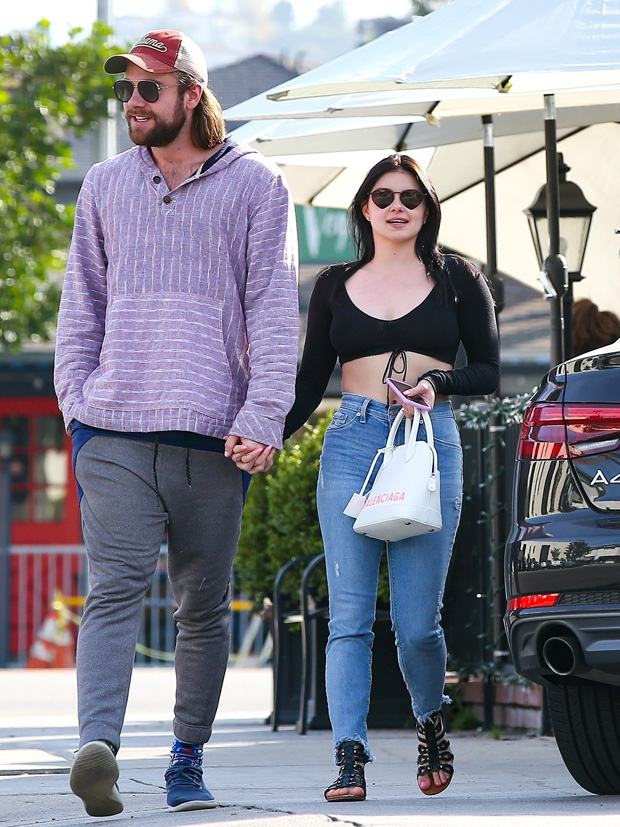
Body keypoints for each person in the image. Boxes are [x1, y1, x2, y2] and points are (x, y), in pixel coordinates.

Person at [54, 30, 298, 817]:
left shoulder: (258, 186)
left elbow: (273, 311)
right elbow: (80, 306)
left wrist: (263, 415)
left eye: (148, 88)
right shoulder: (104, 184)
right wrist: (77, 410)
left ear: (191, 94)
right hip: (113, 429)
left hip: (213, 436)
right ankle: (99, 747)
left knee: (202, 607)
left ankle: (186, 760)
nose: (133, 101)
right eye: (126, 89)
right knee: (113, 589)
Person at [283, 154, 499, 801]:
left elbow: (488, 370)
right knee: (348, 616)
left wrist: (438, 381)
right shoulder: (334, 283)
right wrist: (266, 438)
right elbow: (309, 381)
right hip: (353, 441)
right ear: (365, 208)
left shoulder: (459, 278)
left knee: (417, 623)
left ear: (427, 208)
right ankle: (349, 757)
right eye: (383, 196)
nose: (396, 206)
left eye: (410, 196)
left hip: (428, 442)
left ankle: (431, 721)